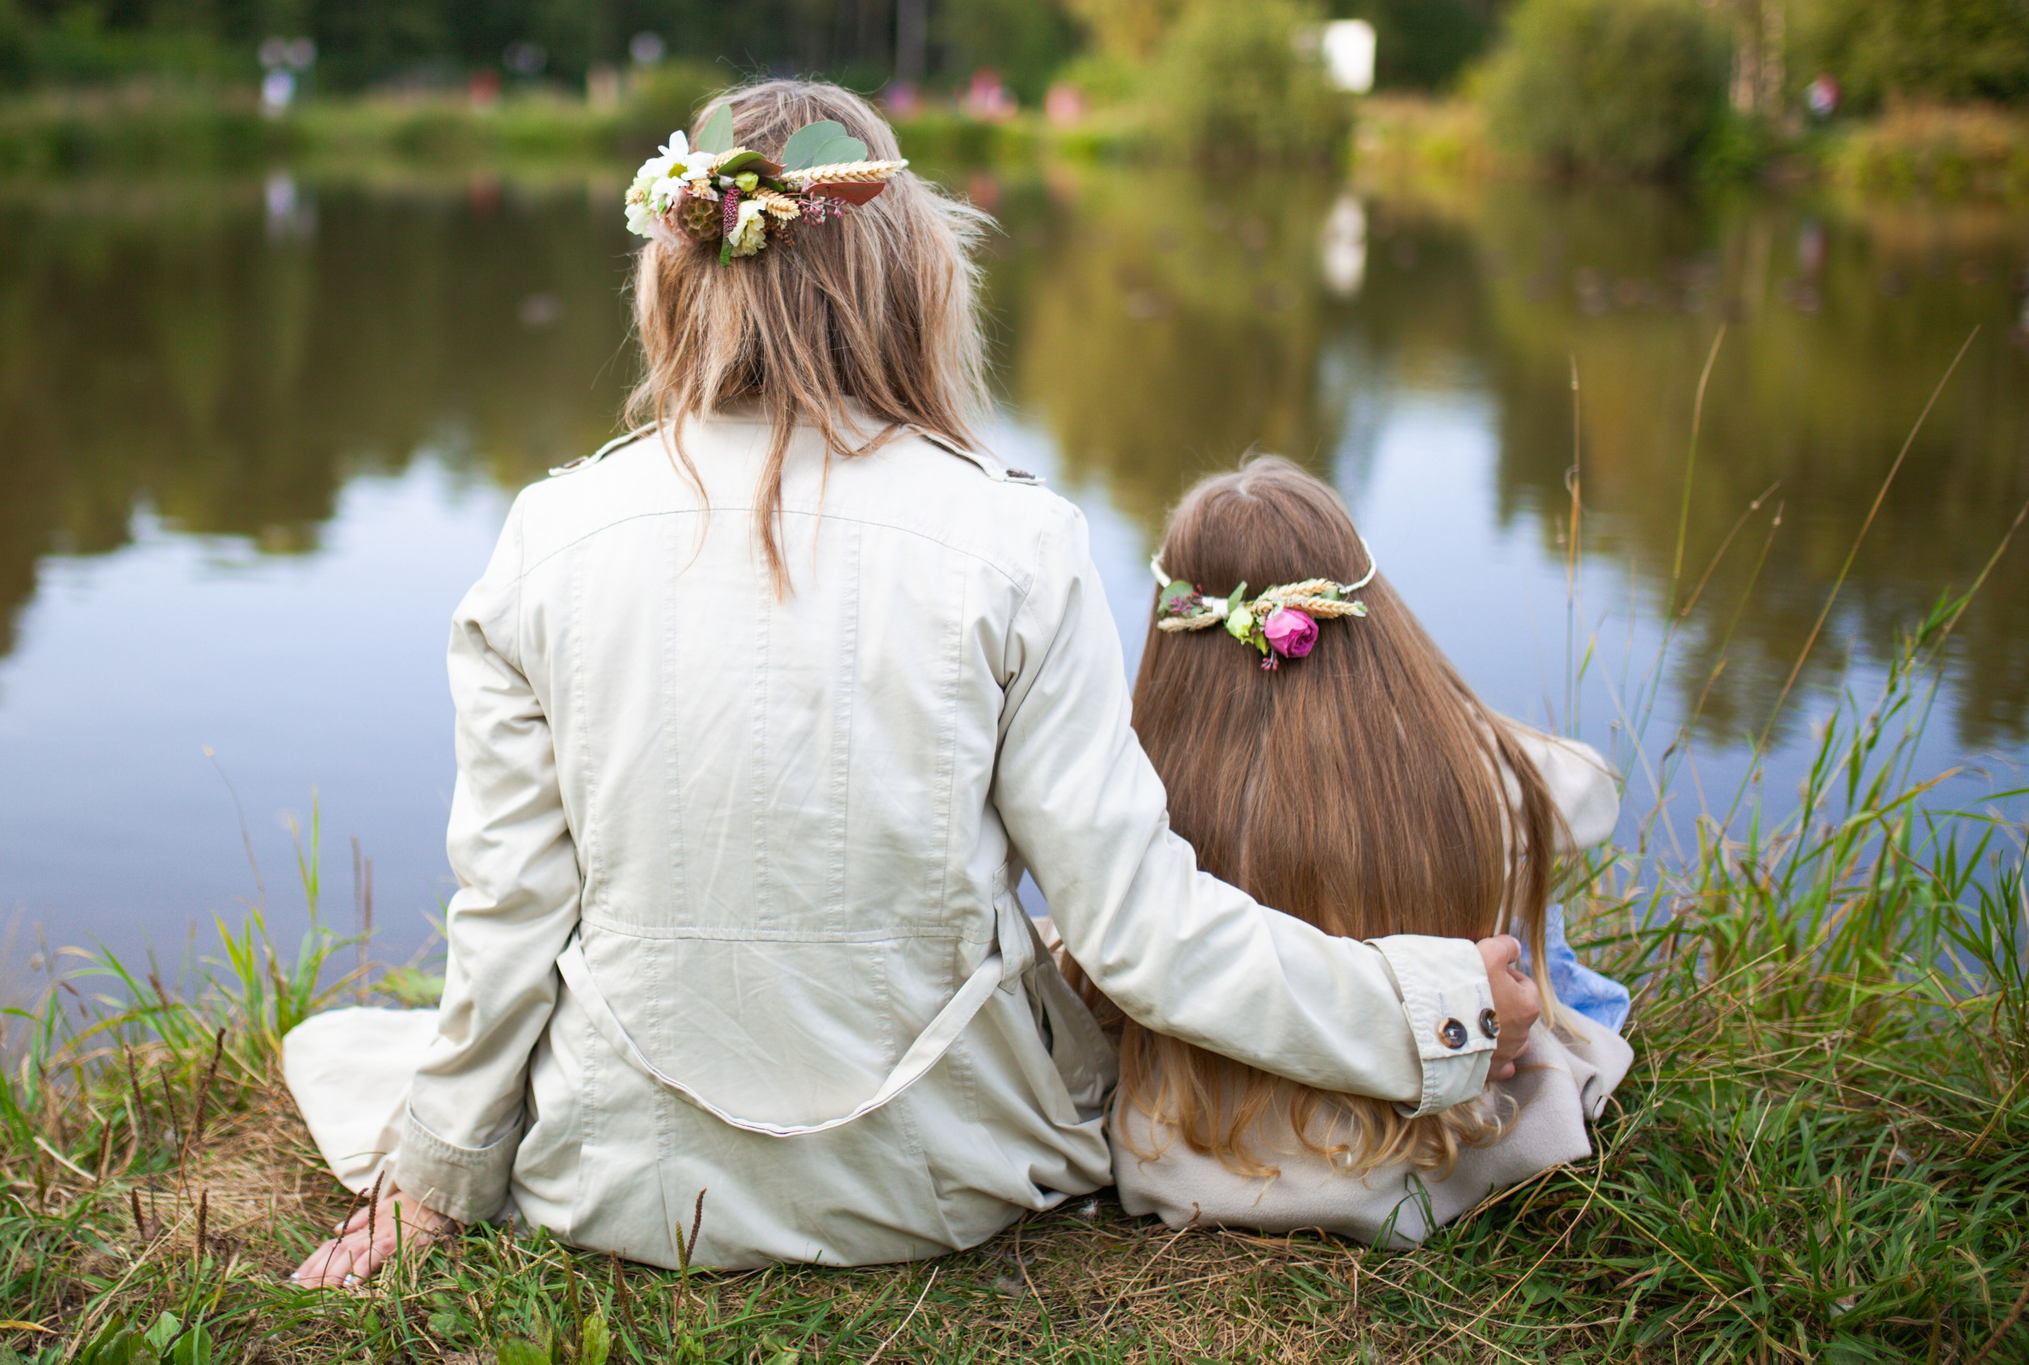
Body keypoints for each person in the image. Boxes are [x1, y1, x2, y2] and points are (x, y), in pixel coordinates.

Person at [287, 81, 1538, 1287]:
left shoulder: (546, 538)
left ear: (675, 268)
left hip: (622, 1186)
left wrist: (434, 1181)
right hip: (942, 1181)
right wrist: (1431, 1011)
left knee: (342, 1050)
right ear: (908, 275)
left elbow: (511, 919)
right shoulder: (1017, 542)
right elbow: (1137, 934)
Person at [1064, 457, 1632, 1248]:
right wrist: (1454, 721)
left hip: (1198, 1153)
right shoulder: (1472, 773)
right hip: (1422, 1148)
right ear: (1366, 604)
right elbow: (1594, 789)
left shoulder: (1132, 791)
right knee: (1545, 944)